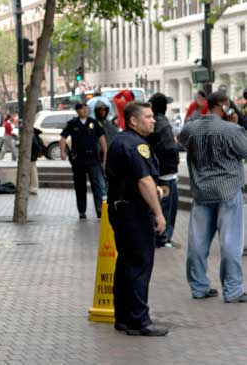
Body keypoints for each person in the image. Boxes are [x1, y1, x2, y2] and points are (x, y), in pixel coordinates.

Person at [178, 91, 247, 303]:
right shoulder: (231, 130)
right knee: (230, 242)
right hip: (228, 190)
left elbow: (182, 142)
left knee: (197, 242)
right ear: (223, 105)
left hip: (201, 191)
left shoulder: (191, 128)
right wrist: (236, 124)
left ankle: (199, 287)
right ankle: (233, 289)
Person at [106, 102, 168, 336]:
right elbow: (144, 181)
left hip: (120, 209)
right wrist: (159, 214)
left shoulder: (120, 141)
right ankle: (139, 320)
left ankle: (123, 317)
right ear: (134, 120)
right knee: (140, 264)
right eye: (149, 117)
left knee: (126, 264)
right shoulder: (136, 145)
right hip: (134, 212)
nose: (153, 120)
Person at [59, 103, 108, 218]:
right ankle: (82, 211)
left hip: (93, 159)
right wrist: (62, 151)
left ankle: (99, 209)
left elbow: (102, 139)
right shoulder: (72, 123)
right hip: (78, 160)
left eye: (86, 108)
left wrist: (105, 154)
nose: (85, 110)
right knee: (80, 185)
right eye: (82, 109)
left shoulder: (93, 122)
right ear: (77, 111)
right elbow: (62, 138)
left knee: (96, 185)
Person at [146, 93, 180, 248]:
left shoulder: (152, 123)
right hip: (166, 174)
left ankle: (159, 237)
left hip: (157, 171)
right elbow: (170, 148)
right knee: (167, 207)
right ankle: (163, 238)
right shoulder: (162, 124)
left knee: (160, 206)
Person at [30, 128, 45, 195]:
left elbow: (35, 144)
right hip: (32, 155)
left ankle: (34, 188)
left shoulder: (30, 133)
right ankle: (33, 187)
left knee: (33, 172)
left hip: (31, 155)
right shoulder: (32, 132)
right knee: (32, 171)